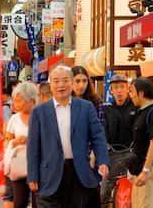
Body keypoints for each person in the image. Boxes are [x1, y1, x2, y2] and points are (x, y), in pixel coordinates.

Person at [27, 65, 111, 208]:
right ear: (50, 84)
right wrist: (32, 175)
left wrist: (103, 160)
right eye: (56, 81)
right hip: (50, 175)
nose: (61, 85)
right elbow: (33, 146)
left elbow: (98, 136)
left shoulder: (86, 107)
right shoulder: (38, 112)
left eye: (65, 80)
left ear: (71, 83)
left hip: (80, 172)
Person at [127, 78, 153, 208]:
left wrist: (146, 170)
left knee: (147, 205)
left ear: (141, 93)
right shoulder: (139, 112)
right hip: (139, 169)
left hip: (151, 169)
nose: (130, 95)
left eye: (131, 91)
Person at [71, 66, 105, 208]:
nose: (81, 85)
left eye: (84, 81)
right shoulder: (64, 102)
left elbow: (100, 130)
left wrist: (94, 152)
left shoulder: (96, 102)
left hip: (90, 158)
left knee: (90, 197)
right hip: (68, 158)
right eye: (77, 81)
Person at [102, 73, 136, 204]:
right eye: (115, 87)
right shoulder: (107, 109)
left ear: (128, 88)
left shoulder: (135, 107)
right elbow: (103, 131)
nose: (119, 90)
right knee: (104, 192)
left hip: (131, 154)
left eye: (122, 87)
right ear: (111, 90)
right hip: (112, 155)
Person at [3, 82, 37, 208]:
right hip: (19, 167)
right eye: (14, 101)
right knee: (19, 202)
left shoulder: (40, 117)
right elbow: (7, 142)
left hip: (37, 166)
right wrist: (15, 142)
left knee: (38, 202)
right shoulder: (14, 119)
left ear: (32, 101)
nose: (15, 104)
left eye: (19, 101)